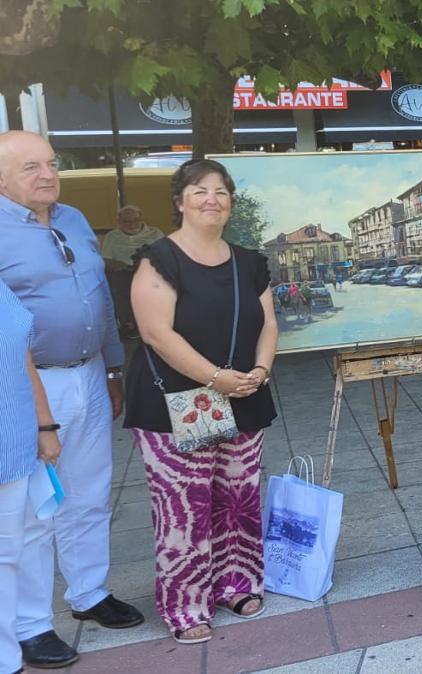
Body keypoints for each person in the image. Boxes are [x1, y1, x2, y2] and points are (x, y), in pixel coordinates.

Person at [0, 130, 144, 669]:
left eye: (52, 163)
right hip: (25, 386)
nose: (47, 174)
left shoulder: (74, 219)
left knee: (90, 492)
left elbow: (102, 298)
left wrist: (112, 364)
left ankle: (88, 592)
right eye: (30, 167)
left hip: (87, 374)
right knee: (36, 508)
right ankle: (32, 625)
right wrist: (38, 419)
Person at [126, 158, 278, 644]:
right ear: (180, 201)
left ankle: (237, 582)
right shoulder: (159, 259)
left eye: (221, 191)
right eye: (199, 190)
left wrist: (259, 371)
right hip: (176, 403)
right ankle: (186, 604)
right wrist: (217, 379)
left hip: (245, 395)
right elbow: (155, 332)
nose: (211, 199)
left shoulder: (250, 261)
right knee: (184, 506)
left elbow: (270, 323)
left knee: (238, 499)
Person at [1, 281, 62, 672]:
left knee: (6, 555)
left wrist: (44, 425)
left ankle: (8, 659)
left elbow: (21, 358)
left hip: (13, 440)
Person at [100, 205, 164, 339]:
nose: (132, 224)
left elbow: (166, 256)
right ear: (119, 221)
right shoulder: (112, 236)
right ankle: (128, 323)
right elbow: (105, 260)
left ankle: (153, 323)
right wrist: (120, 265)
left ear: (142, 219)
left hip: (149, 270)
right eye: (126, 221)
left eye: (135, 220)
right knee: (118, 282)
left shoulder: (155, 233)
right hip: (123, 271)